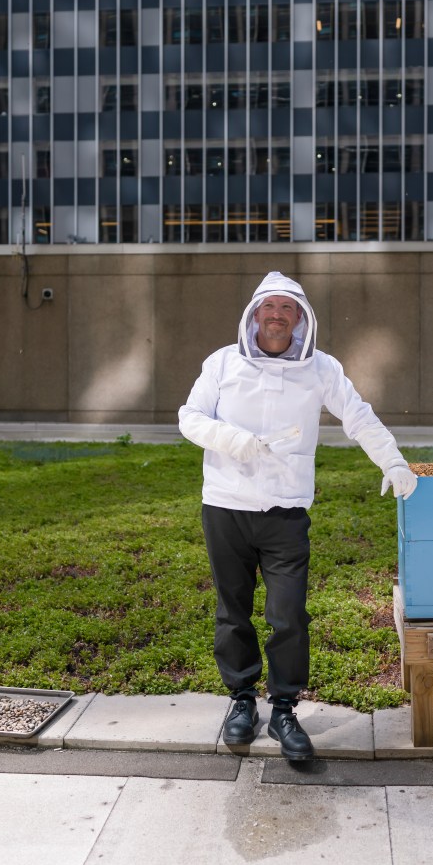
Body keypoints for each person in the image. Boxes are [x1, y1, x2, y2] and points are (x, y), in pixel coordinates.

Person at [178, 271, 417, 761]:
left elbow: (358, 415)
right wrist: (233, 440)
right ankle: (242, 700)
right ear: (254, 314)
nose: (277, 316)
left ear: (301, 319)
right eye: (269, 307)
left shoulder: (321, 368)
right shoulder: (223, 363)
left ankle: (285, 708)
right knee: (233, 611)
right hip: (225, 506)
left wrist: (392, 459)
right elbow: (190, 417)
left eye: (288, 309)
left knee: (288, 615)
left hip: (286, 512)